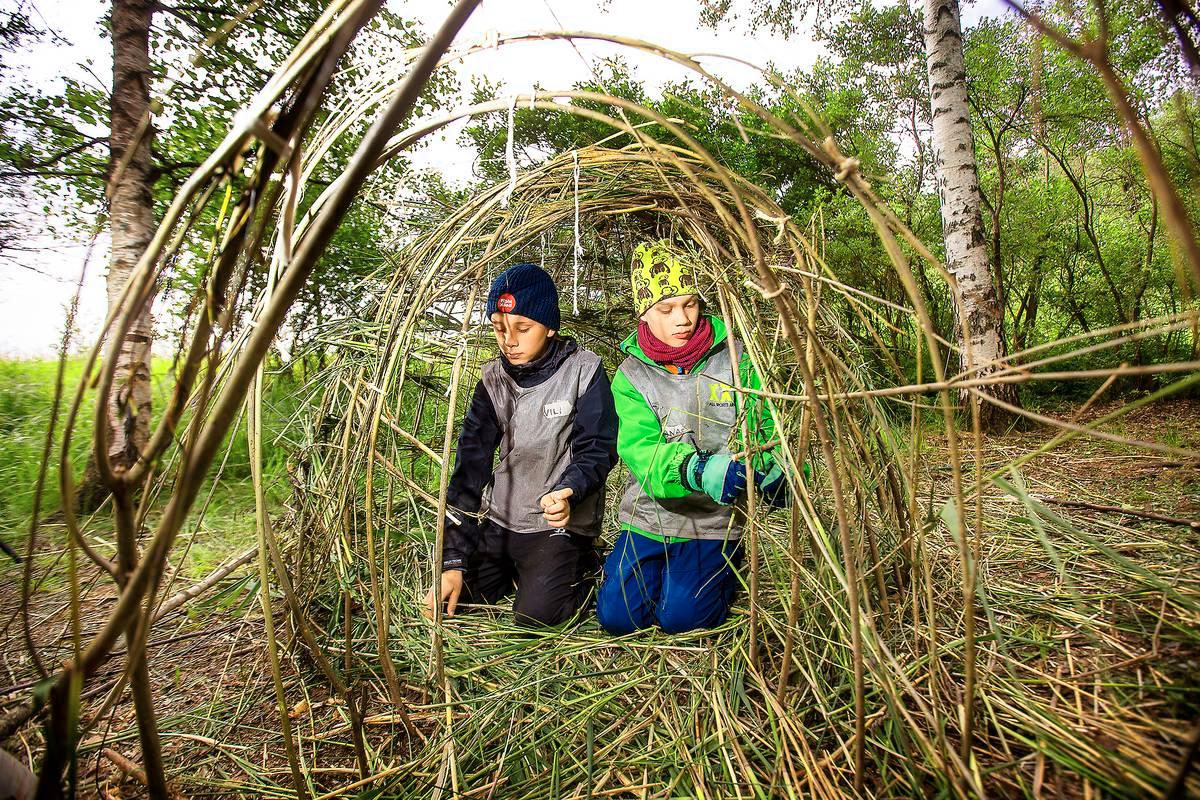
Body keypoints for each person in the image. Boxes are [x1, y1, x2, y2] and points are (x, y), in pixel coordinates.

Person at [595, 241, 790, 635]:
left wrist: (774, 470)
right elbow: (641, 452)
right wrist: (696, 469)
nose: (681, 319)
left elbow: (765, 428)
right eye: (665, 310)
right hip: (649, 516)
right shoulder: (631, 377)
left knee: (681, 619)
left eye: (690, 304)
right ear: (644, 312)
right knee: (618, 617)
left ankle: (722, 573)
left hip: (713, 518)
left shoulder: (736, 357)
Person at [424, 262, 618, 627]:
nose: (508, 341)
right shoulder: (493, 380)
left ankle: (584, 565)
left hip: (555, 523)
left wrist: (569, 492)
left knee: (537, 617)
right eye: (499, 329)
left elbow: (598, 448)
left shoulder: (584, 370)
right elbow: (470, 467)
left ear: (549, 326)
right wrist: (452, 561)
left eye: (522, 328)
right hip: (501, 520)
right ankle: (521, 574)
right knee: (453, 604)